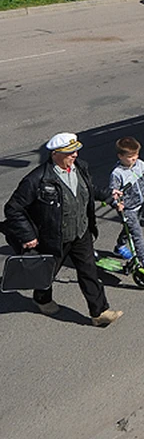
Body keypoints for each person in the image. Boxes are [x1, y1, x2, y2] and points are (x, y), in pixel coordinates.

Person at [2, 133, 124, 326]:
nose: (74, 155)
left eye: (75, 150)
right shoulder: (37, 179)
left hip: (81, 232)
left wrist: (109, 196)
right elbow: (13, 208)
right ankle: (41, 299)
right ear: (55, 154)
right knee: (47, 273)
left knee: (89, 271)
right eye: (69, 152)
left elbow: (88, 189)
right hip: (53, 237)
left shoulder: (80, 168)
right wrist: (28, 235)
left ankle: (99, 312)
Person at [108, 136, 144, 275]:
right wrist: (117, 203)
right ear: (120, 156)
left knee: (129, 229)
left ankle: (120, 246)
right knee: (137, 234)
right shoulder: (117, 174)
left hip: (140, 205)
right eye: (130, 157)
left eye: (136, 156)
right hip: (127, 209)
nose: (134, 159)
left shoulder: (140, 164)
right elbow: (113, 193)